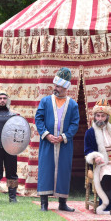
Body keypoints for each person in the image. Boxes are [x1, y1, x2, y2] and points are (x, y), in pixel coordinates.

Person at [35, 67, 80, 212]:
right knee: (45, 170)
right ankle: (44, 204)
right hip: (47, 142)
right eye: (55, 85)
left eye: (58, 86)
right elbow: (39, 119)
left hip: (64, 144)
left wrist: (63, 137)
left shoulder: (73, 104)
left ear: (65, 87)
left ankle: (62, 203)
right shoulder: (45, 101)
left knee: (63, 171)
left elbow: (74, 124)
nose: (55, 88)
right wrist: (47, 134)